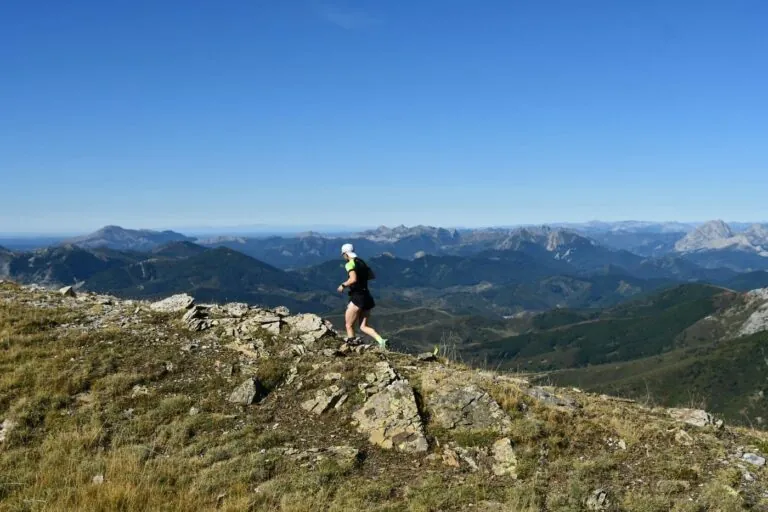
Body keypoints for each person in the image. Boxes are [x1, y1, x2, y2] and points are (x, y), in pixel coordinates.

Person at [337, 243, 387, 349]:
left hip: (357, 297)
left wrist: (343, 285)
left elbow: (353, 279)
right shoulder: (361, 262)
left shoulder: (350, 264)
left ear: (346, 253)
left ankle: (352, 346)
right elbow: (371, 276)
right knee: (363, 326)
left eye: (343, 255)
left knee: (349, 325)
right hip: (367, 297)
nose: (343, 257)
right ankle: (381, 341)